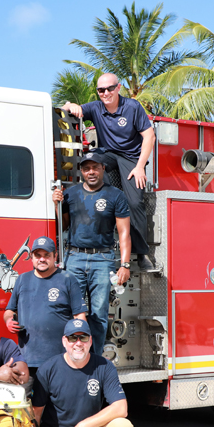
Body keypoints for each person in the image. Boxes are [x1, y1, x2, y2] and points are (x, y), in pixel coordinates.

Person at [61, 72, 157, 272]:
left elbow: (149, 137)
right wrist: (71, 105)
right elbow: (65, 109)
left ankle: (141, 254)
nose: (105, 93)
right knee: (92, 164)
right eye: (101, 90)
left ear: (118, 88)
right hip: (108, 154)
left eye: (109, 89)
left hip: (131, 157)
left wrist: (140, 167)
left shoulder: (132, 107)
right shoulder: (95, 107)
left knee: (135, 201)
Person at [52, 150, 132, 358]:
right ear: (81, 171)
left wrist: (125, 265)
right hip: (74, 258)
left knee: (98, 313)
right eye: (87, 168)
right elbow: (64, 226)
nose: (91, 172)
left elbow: (124, 233)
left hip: (103, 259)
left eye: (95, 167)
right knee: (72, 311)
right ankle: (71, 358)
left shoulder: (115, 195)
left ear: (103, 169)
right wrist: (57, 205)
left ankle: (94, 359)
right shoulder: (70, 194)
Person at [3, 236, 85, 389]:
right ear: (32, 258)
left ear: (55, 256)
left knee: (59, 407)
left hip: (60, 359)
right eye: (37, 255)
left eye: (46, 255)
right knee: (26, 408)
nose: (42, 259)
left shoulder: (67, 279)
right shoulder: (22, 280)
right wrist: (8, 320)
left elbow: (79, 316)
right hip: (28, 360)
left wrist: (79, 346)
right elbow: (9, 311)